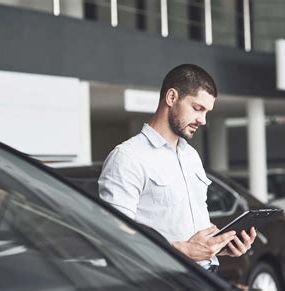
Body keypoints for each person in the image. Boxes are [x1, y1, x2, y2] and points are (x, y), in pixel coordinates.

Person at [98, 64, 256, 273]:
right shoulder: (127, 157)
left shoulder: (191, 156)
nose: (203, 120)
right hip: (163, 281)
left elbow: (188, 229)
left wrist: (218, 247)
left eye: (207, 112)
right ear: (171, 97)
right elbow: (114, 239)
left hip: (206, 276)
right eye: (198, 108)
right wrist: (184, 250)